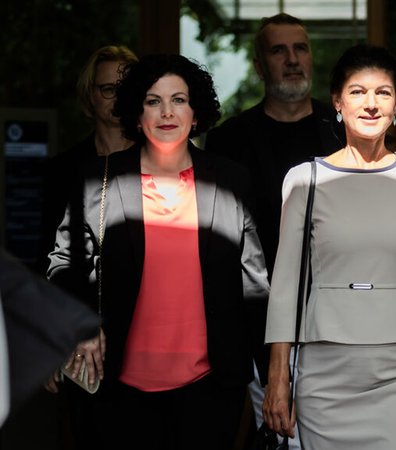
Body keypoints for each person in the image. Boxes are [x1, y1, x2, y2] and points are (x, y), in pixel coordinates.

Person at [47, 54, 269, 450]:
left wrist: (274, 377)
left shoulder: (230, 179)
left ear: (196, 112)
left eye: (179, 100)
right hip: (117, 388)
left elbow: (254, 284)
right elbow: (64, 262)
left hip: (210, 387)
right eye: (153, 101)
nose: (167, 112)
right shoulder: (100, 178)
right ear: (136, 113)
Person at [263, 44, 396, 450]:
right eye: (358, 91)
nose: (371, 103)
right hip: (325, 372)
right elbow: (286, 286)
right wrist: (278, 376)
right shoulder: (303, 180)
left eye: (383, 92)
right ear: (337, 102)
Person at [204, 17, 343, 433]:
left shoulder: (340, 130)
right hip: (259, 319)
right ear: (259, 65)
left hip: (336, 311)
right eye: (278, 51)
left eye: (300, 48)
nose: (292, 59)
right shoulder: (230, 140)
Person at [38, 45, 138, 273]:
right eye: (108, 89)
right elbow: (48, 252)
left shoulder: (155, 161)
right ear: (90, 94)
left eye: (126, 88)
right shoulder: (63, 169)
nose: (119, 98)